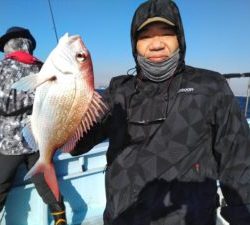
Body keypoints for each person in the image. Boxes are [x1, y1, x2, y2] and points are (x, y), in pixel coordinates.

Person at [71, 0, 250, 224]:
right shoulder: (118, 90)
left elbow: (238, 159)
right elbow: (77, 143)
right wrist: (65, 98)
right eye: (145, 36)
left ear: (180, 39)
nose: (156, 44)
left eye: (166, 33)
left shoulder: (210, 86)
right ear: (134, 44)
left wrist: (243, 214)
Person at [0, 26, 67, 225]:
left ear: (7, 46)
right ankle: (60, 218)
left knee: (1, 185)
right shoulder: (45, 68)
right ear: (28, 44)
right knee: (46, 183)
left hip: (8, 145)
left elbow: (4, 105)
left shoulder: (2, 69)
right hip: (39, 140)